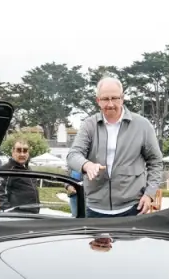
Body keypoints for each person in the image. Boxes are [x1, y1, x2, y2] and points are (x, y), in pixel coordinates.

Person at [66, 77, 163, 217]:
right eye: (105, 99)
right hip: (94, 209)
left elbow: (156, 162)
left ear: (122, 98)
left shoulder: (143, 125)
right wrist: (87, 165)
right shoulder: (89, 125)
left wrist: (149, 194)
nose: (110, 104)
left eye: (115, 98)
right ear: (98, 100)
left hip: (133, 208)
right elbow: (73, 155)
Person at [0, 140, 39, 213]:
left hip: (33, 215)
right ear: (13, 152)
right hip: (17, 217)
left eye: (25, 151)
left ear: (28, 153)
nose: (22, 154)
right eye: (19, 150)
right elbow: (1, 195)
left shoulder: (29, 169)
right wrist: (11, 214)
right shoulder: (6, 170)